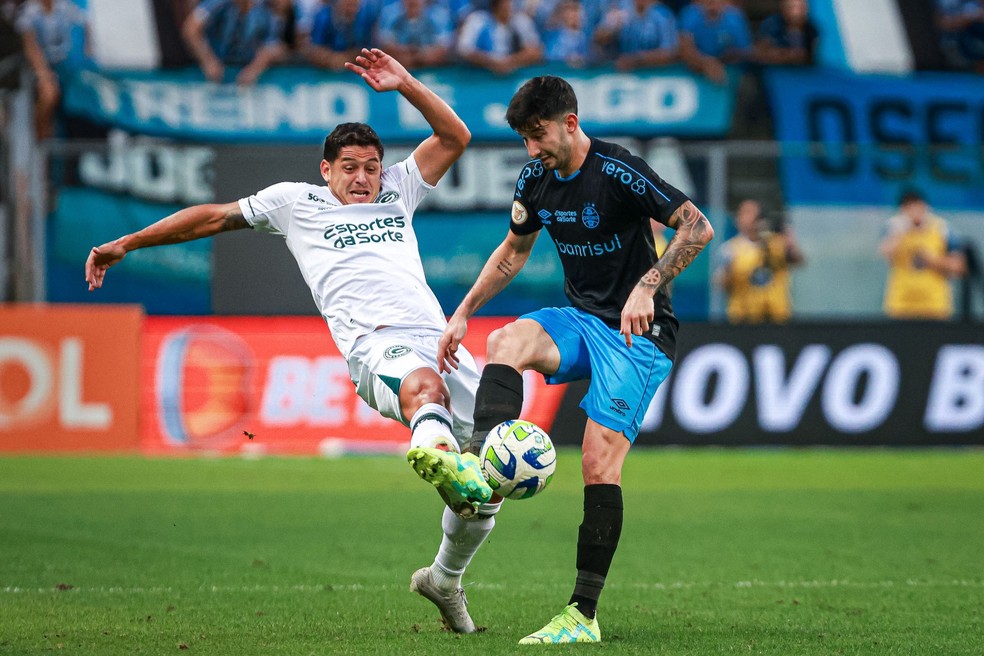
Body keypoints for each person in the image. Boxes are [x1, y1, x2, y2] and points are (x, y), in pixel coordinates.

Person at [84, 48, 495, 635]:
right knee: (423, 392)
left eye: (371, 166)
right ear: (325, 169)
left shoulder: (398, 192)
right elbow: (211, 218)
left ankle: (444, 579)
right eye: (349, 166)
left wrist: (404, 82)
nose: (362, 177)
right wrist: (129, 241)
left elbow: (455, 135)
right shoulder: (294, 203)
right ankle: (435, 452)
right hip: (377, 348)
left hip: (441, 341)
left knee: (488, 485)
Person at [437, 75, 714, 644]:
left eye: (537, 135)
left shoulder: (618, 170)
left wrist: (649, 282)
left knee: (597, 462)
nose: (531, 150)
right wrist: (462, 311)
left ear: (570, 121)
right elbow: (514, 251)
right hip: (584, 319)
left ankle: (582, 615)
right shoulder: (535, 178)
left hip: (641, 332)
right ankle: (480, 463)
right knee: (504, 342)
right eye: (524, 139)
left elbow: (697, 226)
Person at [879, 189, 968, 320]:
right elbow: (885, 252)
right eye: (908, 207)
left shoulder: (942, 228)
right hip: (901, 305)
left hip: (935, 306)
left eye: (917, 206)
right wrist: (902, 230)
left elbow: (959, 266)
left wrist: (933, 260)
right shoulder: (894, 227)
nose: (914, 212)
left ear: (925, 206)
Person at [714, 198, 804, 324]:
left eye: (755, 214)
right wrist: (728, 270)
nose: (752, 218)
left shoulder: (776, 244)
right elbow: (719, 284)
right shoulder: (730, 249)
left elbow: (797, 261)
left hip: (777, 316)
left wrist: (790, 242)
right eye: (746, 213)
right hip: (743, 317)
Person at [14, 0, 87, 140]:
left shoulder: (64, 7)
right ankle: (41, 137)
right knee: (48, 94)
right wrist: (44, 74)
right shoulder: (29, 12)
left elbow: (85, 22)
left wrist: (86, 53)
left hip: (65, 67)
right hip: (39, 69)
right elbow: (31, 48)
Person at [182, 0, 286, 85]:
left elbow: (274, 44)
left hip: (246, 78)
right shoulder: (216, 3)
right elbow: (191, 29)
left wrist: (254, 69)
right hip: (207, 77)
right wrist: (208, 61)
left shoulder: (265, 8)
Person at [455, 0, 543, 75]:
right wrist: (492, 63)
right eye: (505, 4)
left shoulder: (520, 20)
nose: (509, 7)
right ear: (496, 6)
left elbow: (536, 51)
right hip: (479, 75)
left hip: (514, 74)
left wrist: (511, 61)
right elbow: (464, 50)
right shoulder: (477, 20)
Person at [678, 0, 753, 83]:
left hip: (729, 67)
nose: (712, 2)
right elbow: (684, 47)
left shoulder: (735, 17)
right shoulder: (690, 14)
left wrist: (720, 62)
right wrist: (706, 63)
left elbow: (745, 51)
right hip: (695, 66)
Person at [591, 0, 678, 71]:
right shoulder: (625, 13)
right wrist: (611, 26)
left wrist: (637, 59)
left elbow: (670, 52)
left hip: (657, 76)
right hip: (627, 78)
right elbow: (598, 40)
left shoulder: (662, 15)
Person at [755, 0, 819, 66]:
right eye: (792, 7)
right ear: (784, 9)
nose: (796, 12)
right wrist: (786, 54)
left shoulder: (811, 30)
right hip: (774, 70)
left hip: (799, 72)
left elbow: (811, 57)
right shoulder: (771, 25)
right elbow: (760, 52)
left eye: (801, 7)